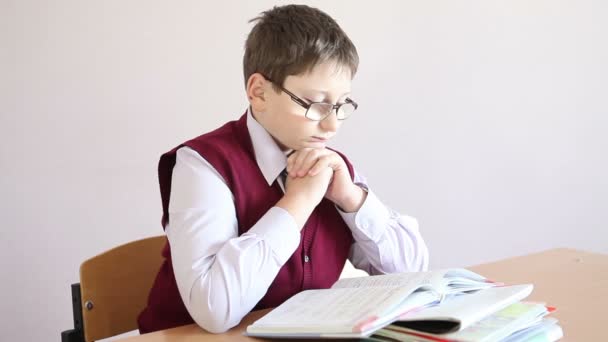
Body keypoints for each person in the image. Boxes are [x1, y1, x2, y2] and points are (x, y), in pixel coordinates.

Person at [138, 4, 429, 334]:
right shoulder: (203, 165)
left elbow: (412, 272)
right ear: (259, 92)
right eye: (316, 104)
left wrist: (351, 199)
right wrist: (298, 204)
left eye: (339, 105)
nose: (332, 124)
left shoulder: (332, 168)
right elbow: (214, 310)